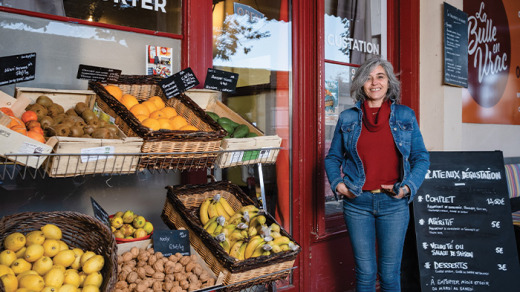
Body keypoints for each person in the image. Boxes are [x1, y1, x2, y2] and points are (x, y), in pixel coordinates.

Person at [324, 56, 430, 292]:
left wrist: (407, 187)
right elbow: (333, 157)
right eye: (368, 78)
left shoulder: (405, 115)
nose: (374, 83)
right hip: (357, 203)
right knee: (365, 274)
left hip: (394, 203)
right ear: (361, 84)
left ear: (389, 82)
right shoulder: (348, 117)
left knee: (390, 275)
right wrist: (338, 184)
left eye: (380, 77)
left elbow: (421, 157)